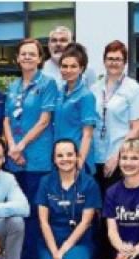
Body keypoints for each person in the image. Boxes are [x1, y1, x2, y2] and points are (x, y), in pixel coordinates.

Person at [2, 38, 60, 259]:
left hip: (37, 161)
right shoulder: (13, 86)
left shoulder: (48, 84)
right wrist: (12, 148)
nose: (26, 57)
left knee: (36, 214)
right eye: (23, 54)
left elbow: (45, 119)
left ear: (40, 58)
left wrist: (22, 145)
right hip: (15, 160)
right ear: (18, 58)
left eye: (31, 54)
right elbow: (6, 119)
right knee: (17, 212)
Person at [35, 139, 102, 259]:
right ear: (54, 159)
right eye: (60, 155)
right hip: (50, 240)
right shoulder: (45, 182)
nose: (65, 159)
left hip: (78, 240)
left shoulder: (89, 183)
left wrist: (63, 250)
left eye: (69, 154)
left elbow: (86, 222)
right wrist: (55, 252)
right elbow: (43, 222)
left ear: (77, 156)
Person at [92, 40, 139, 190]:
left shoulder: (133, 89)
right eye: (110, 58)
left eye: (118, 59)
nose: (114, 63)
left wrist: (117, 156)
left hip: (119, 157)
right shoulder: (94, 88)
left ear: (125, 62)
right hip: (95, 156)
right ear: (104, 61)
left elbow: (137, 128)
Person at [53, 43, 97, 175]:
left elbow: (87, 134)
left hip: (77, 159)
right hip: (61, 158)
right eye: (64, 66)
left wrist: (79, 163)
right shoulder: (60, 92)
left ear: (81, 69)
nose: (68, 70)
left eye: (73, 66)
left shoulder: (86, 96)